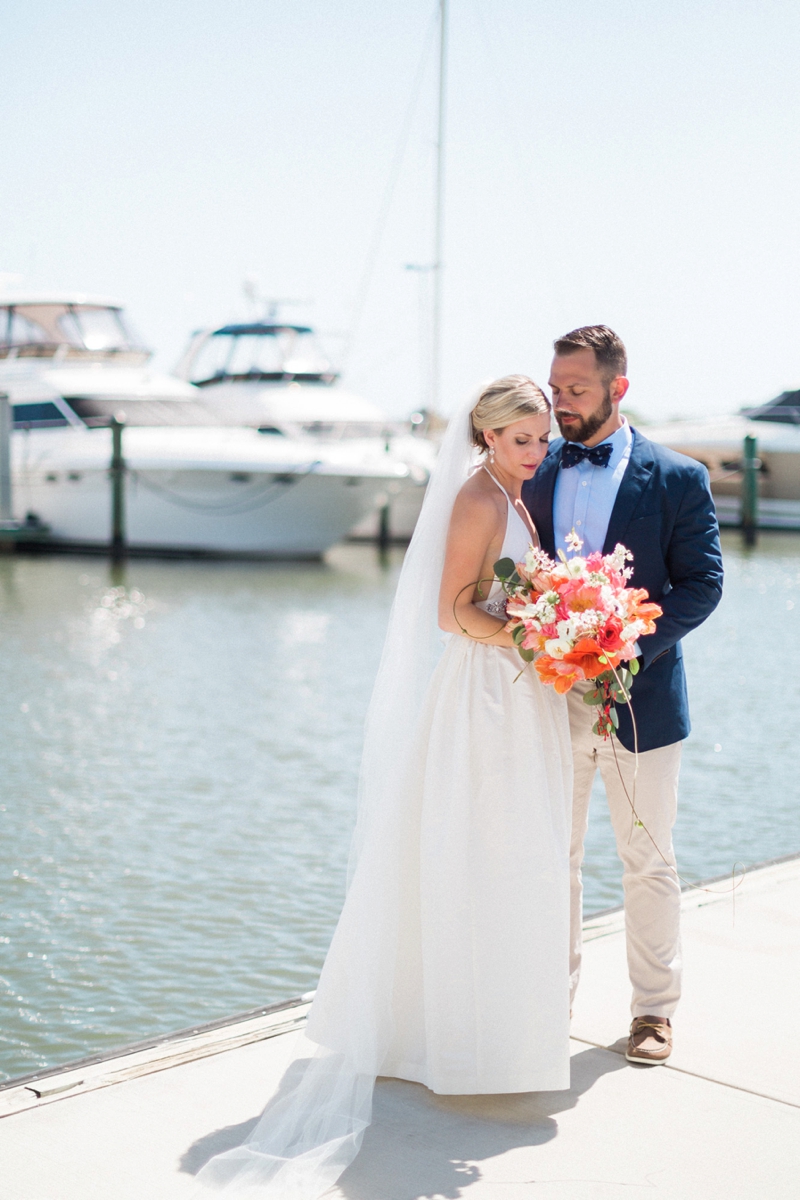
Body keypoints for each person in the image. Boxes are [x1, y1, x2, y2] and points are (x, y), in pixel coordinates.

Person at [194, 376, 573, 1198]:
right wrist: (536, 637)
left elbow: (501, 595)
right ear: (487, 436)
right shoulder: (480, 499)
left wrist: (556, 632)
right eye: (522, 440)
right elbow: (452, 612)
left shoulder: (516, 494)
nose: (537, 452)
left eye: (542, 438)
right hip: (483, 696)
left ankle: (483, 1034)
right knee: (486, 856)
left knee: (511, 861)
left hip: (516, 694)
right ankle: (450, 1042)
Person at [523, 325, 723, 1066]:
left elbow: (703, 586)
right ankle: (549, 1004)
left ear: (618, 388)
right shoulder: (535, 469)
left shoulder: (677, 476)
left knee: (647, 859)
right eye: (555, 388)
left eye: (575, 389)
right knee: (554, 857)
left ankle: (653, 1013)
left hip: (644, 701)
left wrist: (620, 645)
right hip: (551, 700)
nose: (561, 402)